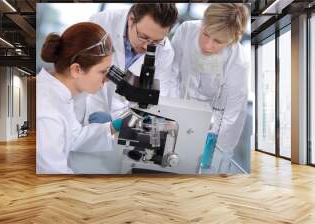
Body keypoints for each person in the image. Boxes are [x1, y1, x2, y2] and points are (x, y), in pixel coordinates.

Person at [170, 3, 250, 173]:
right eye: (205, 34)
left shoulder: (238, 62)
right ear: (203, 22)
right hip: (175, 115)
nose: (207, 45)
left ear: (231, 40)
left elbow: (231, 116)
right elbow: (171, 77)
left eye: (218, 41)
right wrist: (172, 116)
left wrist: (213, 151)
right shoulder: (186, 31)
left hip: (209, 126)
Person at [36, 22, 122, 174]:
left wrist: (115, 126)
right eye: (103, 71)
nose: (107, 78)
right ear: (76, 69)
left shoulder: (60, 95)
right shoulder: (47, 113)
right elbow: (54, 176)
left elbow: (75, 136)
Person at [86, 3, 179, 122]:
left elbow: (159, 98)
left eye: (156, 41)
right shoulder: (102, 22)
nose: (147, 46)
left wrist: (120, 121)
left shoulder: (165, 51)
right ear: (131, 19)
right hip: (89, 105)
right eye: (144, 37)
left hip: (122, 118)